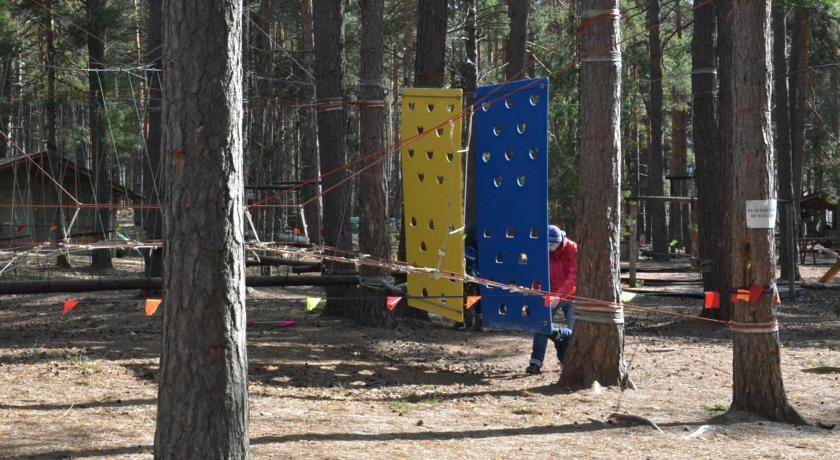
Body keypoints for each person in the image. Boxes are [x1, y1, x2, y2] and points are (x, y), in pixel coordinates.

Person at [526, 225, 578, 375]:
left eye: (553, 245)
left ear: (561, 240)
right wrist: (535, 292)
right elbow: (538, 272)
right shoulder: (543, 250)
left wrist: (559, 295)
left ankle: (568, 362)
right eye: (548, 245)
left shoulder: (573, 249)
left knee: (574, 329)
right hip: (551, 293)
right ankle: (535, 361)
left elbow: (573, 277)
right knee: (541, 323)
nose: (550, 249)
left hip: (573, 295)